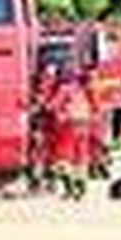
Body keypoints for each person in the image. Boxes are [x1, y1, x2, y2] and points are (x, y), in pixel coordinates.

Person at [48, 69, 96, 199]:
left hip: (69, 123)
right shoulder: (81, 89)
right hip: (85, 122)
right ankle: (81, 185)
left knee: (63, 157)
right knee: (80, 155)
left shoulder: (64, 89)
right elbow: (93, 106)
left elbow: (52, 106)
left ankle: (69, 188)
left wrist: (45, 107)